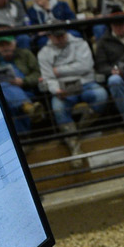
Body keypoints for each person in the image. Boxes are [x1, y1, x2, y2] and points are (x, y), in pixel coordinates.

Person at [38, 27, 107, 155]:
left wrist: (58, 70)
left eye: (62, 35)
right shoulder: (44, 53)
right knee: (58, 107)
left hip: (86, 83)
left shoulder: (80, 43)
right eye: (56, 37)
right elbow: (47, 77)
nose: (60, 39)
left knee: (101, 95)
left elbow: (86, 66)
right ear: (49, 37)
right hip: (62, 88)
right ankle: (75, 147)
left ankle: (78, 131)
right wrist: (55, 90)